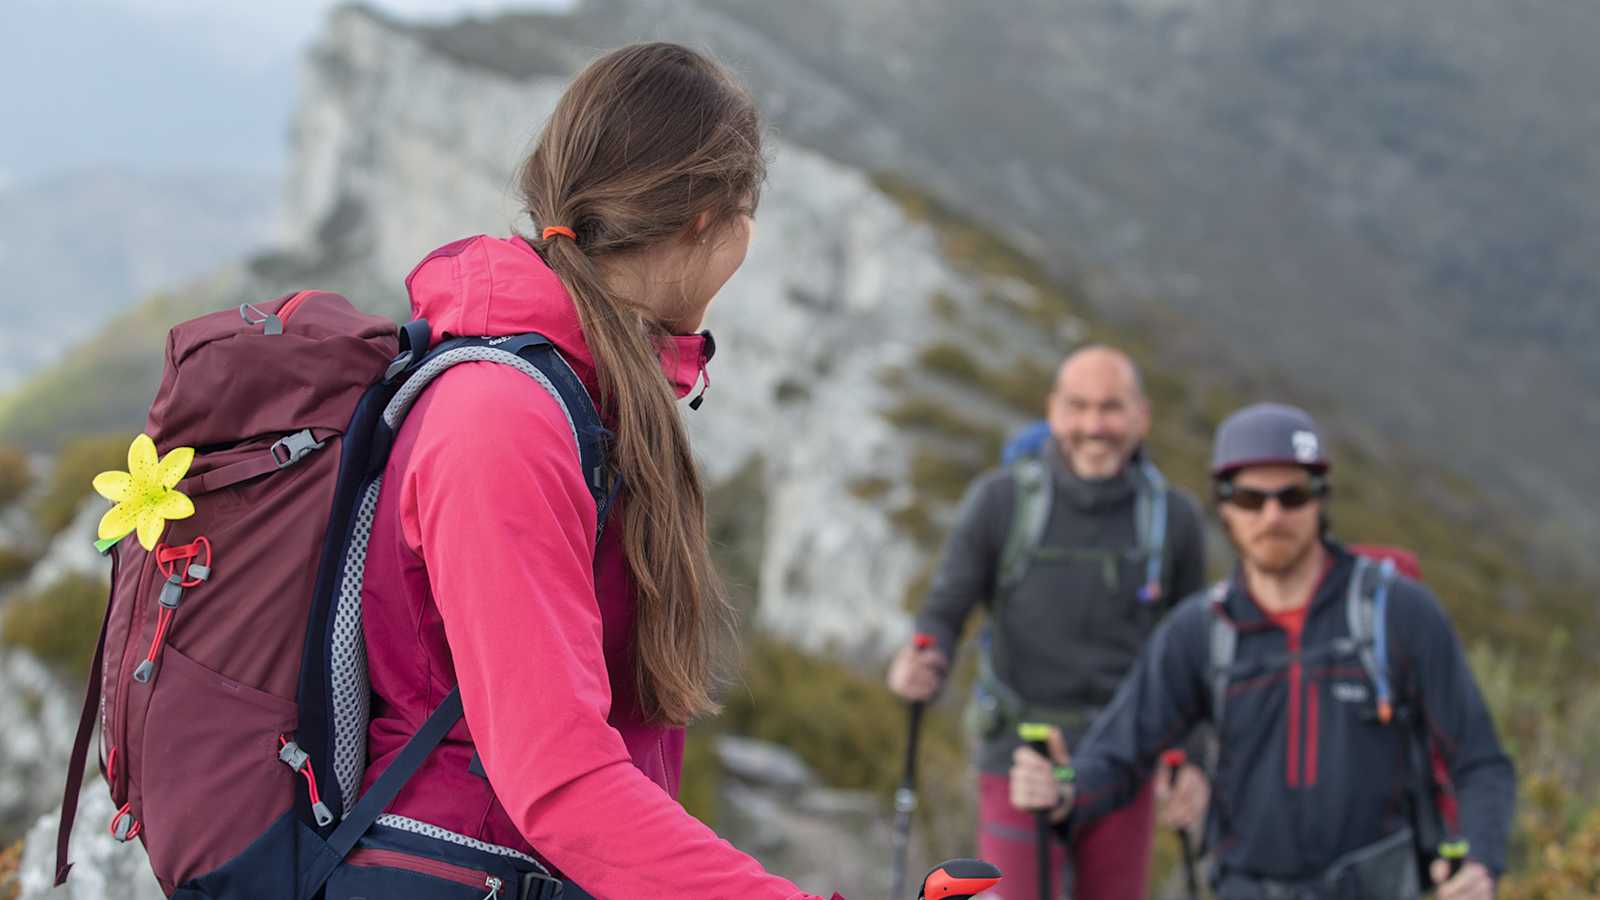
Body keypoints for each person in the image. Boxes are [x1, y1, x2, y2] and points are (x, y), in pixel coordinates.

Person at [357, 43, 843, 899]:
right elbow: (560, 780)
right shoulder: (502, 421)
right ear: (706, 221)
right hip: (465, 873)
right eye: (746, 214)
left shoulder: (590, 395)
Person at [1010, 403, 1515, 900]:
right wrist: (1066, 787)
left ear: (1321, 500)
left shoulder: (1398, 612)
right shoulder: (1201, 631)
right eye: (1251, 499)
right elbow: (1121, 753)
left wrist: (1481, 863)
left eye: (1292, 496)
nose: (1272, 516)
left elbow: (1479, 759)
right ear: (1225, 508)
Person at [888, 346, 1209, 899]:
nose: (1094, 426)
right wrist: (925, 658)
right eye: (1078, 407)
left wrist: (1192, 759)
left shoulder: (1173, 520)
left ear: (1141, 417)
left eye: (1111, 408)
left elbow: (1193, 660)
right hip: (1018, 754)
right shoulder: (1002, 501)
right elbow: (944, 609)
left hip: (1123, 759)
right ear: (1053, 411)